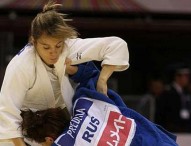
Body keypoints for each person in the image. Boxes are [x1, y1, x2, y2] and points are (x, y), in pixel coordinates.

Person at [0, 1, 129, 145]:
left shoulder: (69, 47)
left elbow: (116, 45)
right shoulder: (21, 66)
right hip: (29, 125)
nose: (53, 52)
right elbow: (7, 114)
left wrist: (102, 80)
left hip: (64, 120)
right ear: (34, 41)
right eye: (46, 47)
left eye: (58, 45)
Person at [20, 62, 178, 146]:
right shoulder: (84, 103)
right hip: (159, 141)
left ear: (48, 139)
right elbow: (91, 74)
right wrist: (65, 67)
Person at [156, 63, 191, 132]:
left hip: (184, 131)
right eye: (186, 76)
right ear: (177, 77)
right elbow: (165, 116)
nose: (188, 79)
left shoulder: (184, 93)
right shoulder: (168, 93)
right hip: (171, 131)